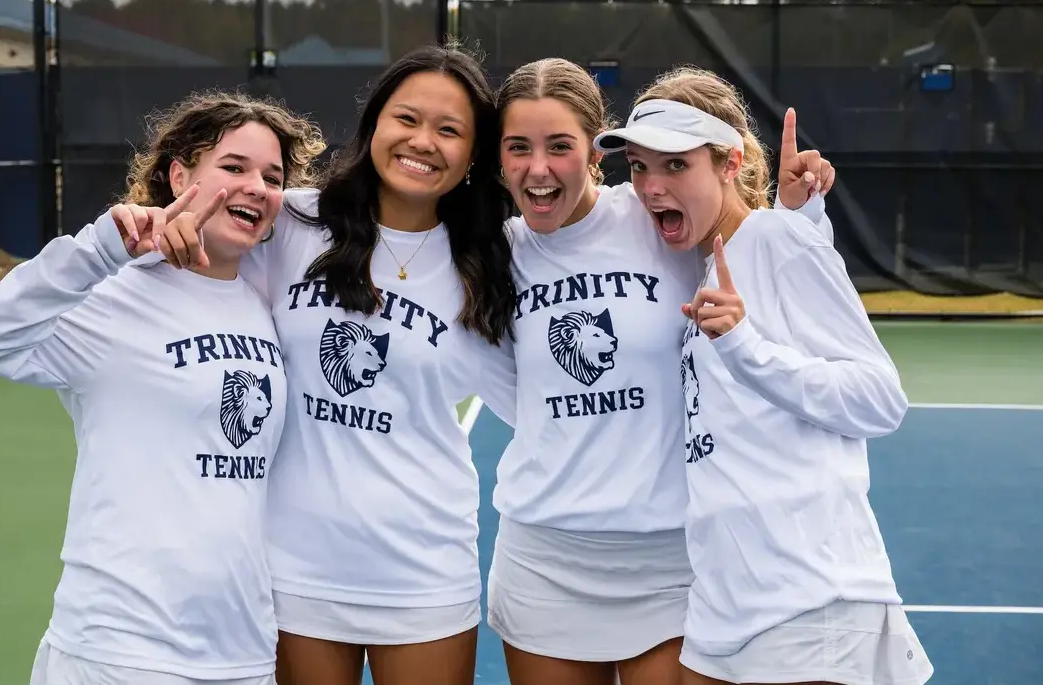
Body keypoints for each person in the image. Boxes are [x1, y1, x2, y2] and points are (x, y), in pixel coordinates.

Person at [151, 43, 518, 685]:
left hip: (423, 574)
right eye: (406, 119)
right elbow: (198, 243)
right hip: (294, 571)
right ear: (374, 125)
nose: (423, 141)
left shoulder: (486, 263)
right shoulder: (291, 221)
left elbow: (542, 401)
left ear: (471, 156)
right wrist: (159, 230)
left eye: (449, 130)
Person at [0, 91, 326, 685]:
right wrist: (102, 249)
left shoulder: (265, 303)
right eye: (234, 167)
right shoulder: (114, 294)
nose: (257, 185)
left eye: (273, 176)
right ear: (180, 174)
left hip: (242, 649)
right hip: (116, 649)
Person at [486, 57, 836, 685]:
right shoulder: (496, 254)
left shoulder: (655, 218)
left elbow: (761, 261)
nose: (538, 169)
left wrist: (799, 214)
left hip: (673, 561)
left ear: (596, 153)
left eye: (560, 146)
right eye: (519, 148)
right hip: (544, 559)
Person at [593, 66, 932, 685]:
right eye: (639, 166)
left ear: (728, 163)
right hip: (722, 611)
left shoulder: (778, 240)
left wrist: (748, 348)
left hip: (809, 602)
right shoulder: (713, 264)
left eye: (675, 165)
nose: (650, 186)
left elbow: (882, 400)